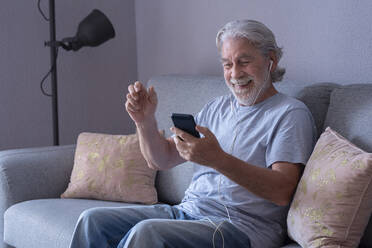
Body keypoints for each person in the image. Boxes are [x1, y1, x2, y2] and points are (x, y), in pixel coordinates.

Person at [69, 20, 316, 248]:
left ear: (270, 60)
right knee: (92, 221)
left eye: (244, 61)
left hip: (241, 227)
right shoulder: (216, 108)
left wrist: (218, 159)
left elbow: (282, 191)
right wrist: (144, 121)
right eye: (227, 64)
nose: (235, 73)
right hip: (188, 212)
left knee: (149, 233)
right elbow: (161, 159)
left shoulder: (289, 114)